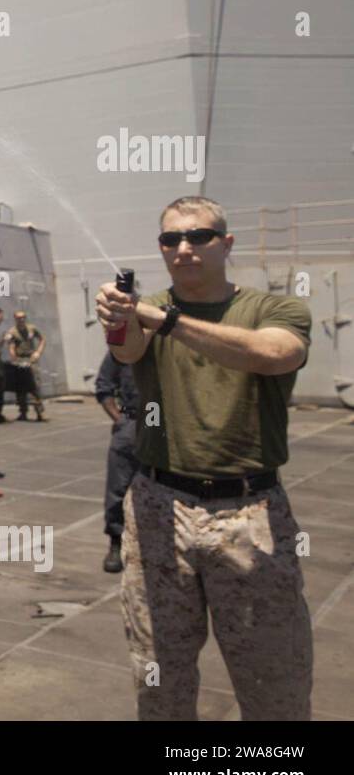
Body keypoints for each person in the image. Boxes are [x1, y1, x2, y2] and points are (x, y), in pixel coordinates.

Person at [97, 195, 313, 721]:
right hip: (157, 506)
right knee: (158, 671)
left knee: (272, 677)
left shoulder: (274, 308)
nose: (184, 248)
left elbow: (273, 354)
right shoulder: (146, 311)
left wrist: (162, 317)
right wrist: (119, 317)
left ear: (227, 243)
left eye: (199, 236)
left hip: (249, 511)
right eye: (171, 239)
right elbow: (126, 352)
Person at [94, 352, 140, 573]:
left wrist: (154, 425)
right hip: (130, 421)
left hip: (157, 418)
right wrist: (120, 420)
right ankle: (115, 542)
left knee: (160, 484)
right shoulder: (121, 350)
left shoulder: (163, 344)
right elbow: (103, 386)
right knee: (118, 487)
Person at [4, 311, 47, 421]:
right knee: (20, 386)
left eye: (23, 317)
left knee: (34, 385)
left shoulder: (32, 328)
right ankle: (23, 412)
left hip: (31, 359)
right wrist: (13, 357)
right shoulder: (12, 331)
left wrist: (38, 352)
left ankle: (39, 412)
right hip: (19, 359)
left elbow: (42, 339)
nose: (21, 319)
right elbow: (11, 345)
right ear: (15, 319)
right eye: (19, 318)